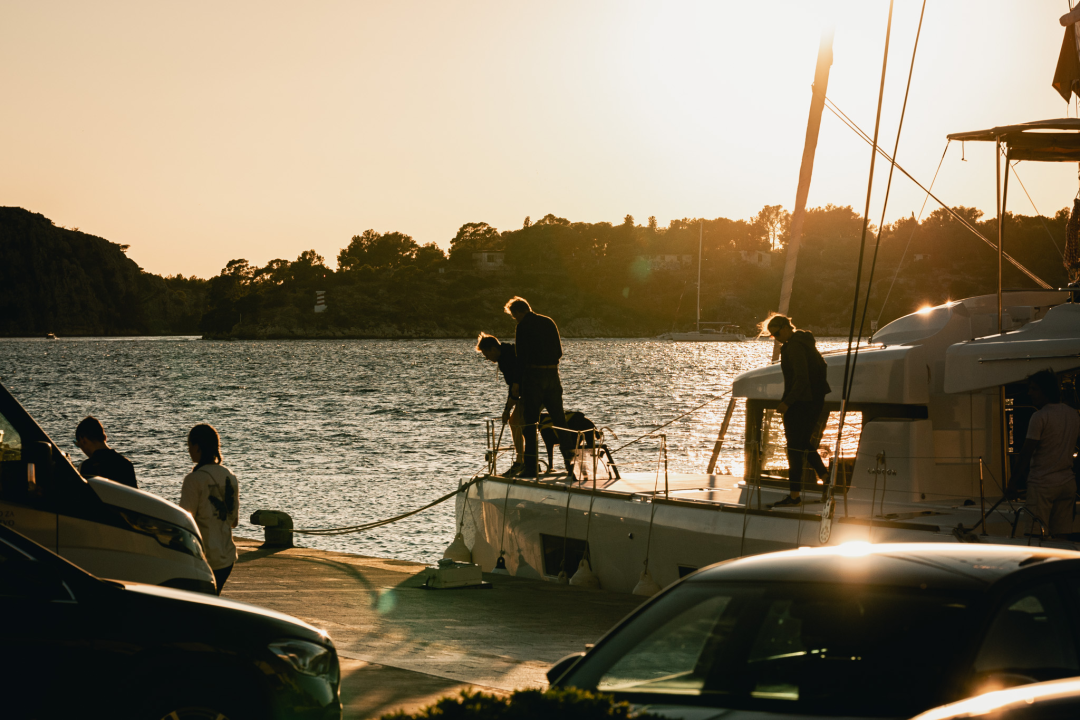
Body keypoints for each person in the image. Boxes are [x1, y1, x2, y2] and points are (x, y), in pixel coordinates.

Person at [765, 314, 831, 508]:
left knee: (793, 448)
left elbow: (801, 379)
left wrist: (787, 402)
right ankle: (825, 477)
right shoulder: (806, 343)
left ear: (786, 327)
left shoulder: (794, 347)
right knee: (802, 443)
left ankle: (794, 496)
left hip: (801, 403)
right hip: (815, 401)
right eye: (773, 336)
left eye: (777, 334)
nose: (776, 339)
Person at [505, 296, 573, 479]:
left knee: (530, 423)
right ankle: (571, 464)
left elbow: (521, 358)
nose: (515, 319)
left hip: (534, 377)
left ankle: (530, 467)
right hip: (553, 375)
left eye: (514, 316)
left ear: (518, 312)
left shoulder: (523, 326)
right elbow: (559, 352)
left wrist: (517, 383)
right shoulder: (548, 322)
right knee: (560, 421)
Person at [1012, 370, 1079, 538]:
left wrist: (1012, 483)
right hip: (1067, 483)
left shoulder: (1039, 416)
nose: (1029, 393)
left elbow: (1027, 452)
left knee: (1034, 536)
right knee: (1062, 538)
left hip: (1042, 484)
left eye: (1034, 389)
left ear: (1045, 391)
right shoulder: (1073, 415)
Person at [180, 424, 239, 594]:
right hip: (226, 558)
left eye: (189, 445)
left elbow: (185, 521)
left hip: (204, 558)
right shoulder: (230, 476)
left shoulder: (194, 480)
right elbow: (233, 521)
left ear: (197, 447)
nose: (189, 450)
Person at [476, 332, 524, 475]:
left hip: (533, 390)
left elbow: (514, 386)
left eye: (487, 354)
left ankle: (522, 462)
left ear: (493, 349)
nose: (487, 358)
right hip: (530, 390)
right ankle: (522, 460)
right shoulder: (509, 352)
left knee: (516, 421)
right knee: (515, 421)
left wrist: (507, 410)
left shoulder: (506, 359)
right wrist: (507, 409)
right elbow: (514, 386)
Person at [75, 416, 137, 488]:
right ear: (105, 437)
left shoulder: (86, 467)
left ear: (83, 440)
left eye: (78, 444)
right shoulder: (126, 464)